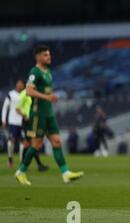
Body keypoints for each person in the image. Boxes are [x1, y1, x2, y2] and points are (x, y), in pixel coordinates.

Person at [15, 45, 84, 186]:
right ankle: (20, 172)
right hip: (38, 114)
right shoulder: (35, 72)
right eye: (46, 55)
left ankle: (65, 174)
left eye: (49, 54)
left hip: (49, 114)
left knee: (57, 141)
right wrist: (47, 98)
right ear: (38, 57)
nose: (49, 57)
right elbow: (28, 91)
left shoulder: (48, 72)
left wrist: (50, 98)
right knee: (36, 145)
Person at [17, 87, 49, 171]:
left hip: (34, 121)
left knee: (32, 143)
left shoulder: (34, 94)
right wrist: (25, 116)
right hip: (27, 122)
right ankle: (31, 165)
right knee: (29, 143)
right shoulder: (23, 94)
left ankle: (27, 165)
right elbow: (17, 109)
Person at [2, 80, 25, 168]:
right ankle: (10, 159)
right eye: (18, 84)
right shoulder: (11, 94)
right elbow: (5, 107)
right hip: (12, 122)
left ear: (23, 86)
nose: (20, 86)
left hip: (22, 122)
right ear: (16, 85)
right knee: (11, 142)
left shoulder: (25, 95)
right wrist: (4, 120)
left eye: (21, 84)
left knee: (23, 142)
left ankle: (21, 161)